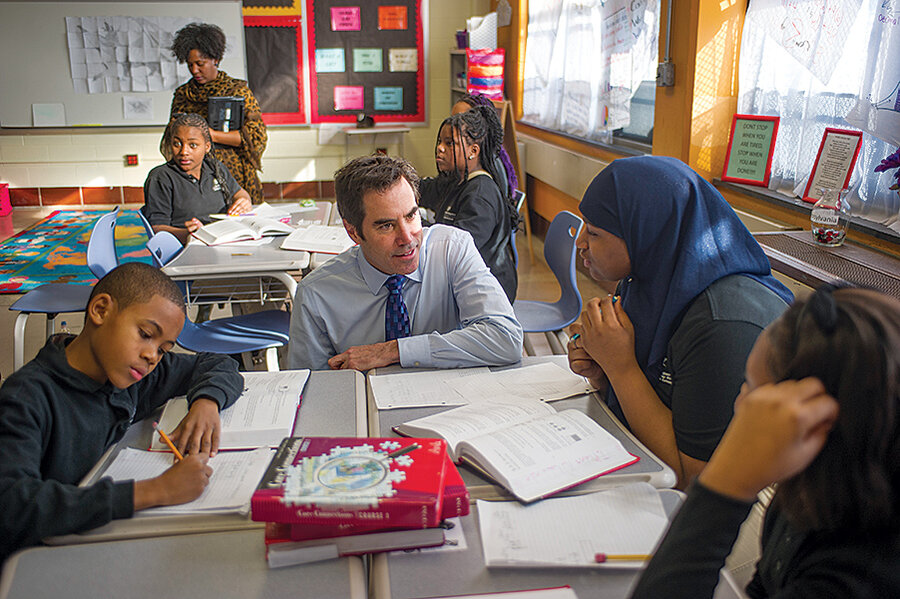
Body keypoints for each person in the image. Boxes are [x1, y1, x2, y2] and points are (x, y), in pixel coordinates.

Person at [631, 286, 900, 598]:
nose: (740, 404)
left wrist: (727, 483)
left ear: (816, 420)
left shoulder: (863, 577)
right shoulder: (815, 488)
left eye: (755, 391)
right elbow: (768, 582)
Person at [567, 156, 792, 489]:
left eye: (596, 232)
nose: (580, 242)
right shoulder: (648, 283)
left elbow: (695, 479)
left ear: (647, 233)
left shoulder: (723, 326)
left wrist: (620, 368)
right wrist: (602, 371)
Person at [0, 262, 244, 560]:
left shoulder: (133, 374)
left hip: (101, 541)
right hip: (38, 562)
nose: (152, 355)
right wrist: (156, 491)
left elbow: (219, 363)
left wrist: (207, 402)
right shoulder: (27, 398)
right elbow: (11, 507)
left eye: (164, 349)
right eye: (145, 334)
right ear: (101, 310)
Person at [288, 154, 523, 372]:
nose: (408, 238)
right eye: (386, 225)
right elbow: (311, 388)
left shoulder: (452, 249)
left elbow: (506, 339)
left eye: (411, 216)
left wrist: (392, 351)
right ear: (353, 232)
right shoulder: (316, 295)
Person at [419, 106, 518, 301]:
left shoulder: (480, 195)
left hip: (488, 290)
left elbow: (455, 248)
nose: (440, 148)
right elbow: (424, 190)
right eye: (440, 142)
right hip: (463, 279)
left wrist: (414, 225)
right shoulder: (456, 179)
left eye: (450, 143)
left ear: (473, 151)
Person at [166, 22, 267, 203]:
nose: (194, 70)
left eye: (200, 64)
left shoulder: (237, 91)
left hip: (236, 176)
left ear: (215, 59)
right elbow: (172, 137)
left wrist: (211, 136)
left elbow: (256, 137)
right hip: (195, 178)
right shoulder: (183, 95)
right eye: (190, 65)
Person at [143, 112, 252, 245]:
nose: (184, 152)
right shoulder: (161, 177)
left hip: (224, 240)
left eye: (193, 145)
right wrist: (190, 234)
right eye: (177, 144)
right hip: (186, 247)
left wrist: (244, 200)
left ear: (207, 147)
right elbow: (157, 229)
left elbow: (239, 193)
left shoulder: (215, 168)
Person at [450, 91, 518, 200]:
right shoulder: (465, 159)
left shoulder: (487, 168)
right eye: (452, 119)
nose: (452, 125)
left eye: (460, 119)